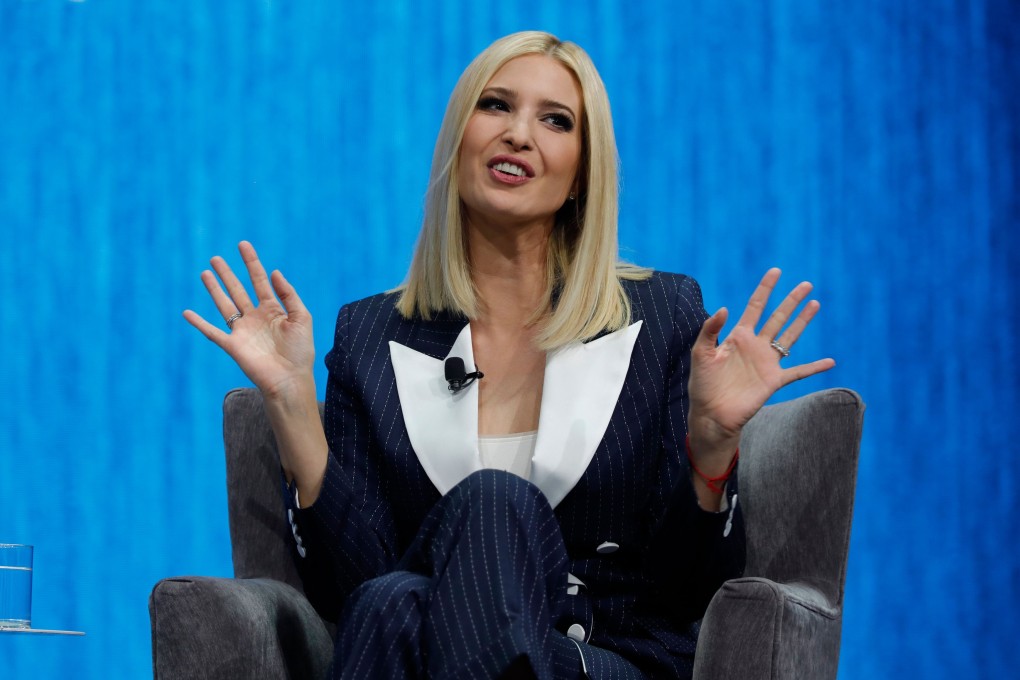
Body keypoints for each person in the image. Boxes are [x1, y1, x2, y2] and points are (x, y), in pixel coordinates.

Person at [184, 31, 834, 680]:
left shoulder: (661, 315)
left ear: (583, 174)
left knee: (487, 507)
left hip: (605, 657)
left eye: (555, 120)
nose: (519, 134)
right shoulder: (370, 335)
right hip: (420, 645)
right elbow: (349, 589)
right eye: (495, 106)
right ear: (458, 139)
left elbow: (683, 590)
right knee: (390, 601)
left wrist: (713, 450)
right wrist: (293, 402)